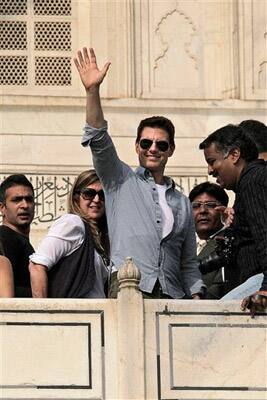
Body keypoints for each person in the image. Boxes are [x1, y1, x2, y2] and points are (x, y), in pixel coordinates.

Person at [74, 47, 205, 299]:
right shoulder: (119, 180)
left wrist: (197, 299)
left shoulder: (183, 203)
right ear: (137, 147)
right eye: (146, 143)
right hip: (130, 290)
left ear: (171, 150)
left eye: (161, 144)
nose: (153, 148)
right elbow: (98, 138)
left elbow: (188, 262)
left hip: (173, 296)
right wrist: (92, 91)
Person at [199, 124, 267, 315]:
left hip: (261, 281)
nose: (210, 170)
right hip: (256, 280)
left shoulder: (253, 180)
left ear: (234, 155)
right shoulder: (251, 182)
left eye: (212, 161)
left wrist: (265, 290)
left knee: (211, 321)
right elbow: (231, 252)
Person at [29, 170, 110, 298]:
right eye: (89, 194)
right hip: (77, 315)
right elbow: (37, 265)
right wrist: (42, 314)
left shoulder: (97, 236)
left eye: (102, 194)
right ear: (76, 198)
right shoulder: (73, 223)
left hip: (96, 315)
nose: (96, 199)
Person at [189, 182, 239, 299]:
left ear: (223, 210)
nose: (203, 211)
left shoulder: (228, 241)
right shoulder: (184, 245)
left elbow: (219, 289)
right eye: (196, 206)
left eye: (210, 205)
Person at [0, 174, 35, 297]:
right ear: (2, 208)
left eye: (29, 199)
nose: (25, 205)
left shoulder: (21, 241)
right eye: (17, 200)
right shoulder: (5, 237)